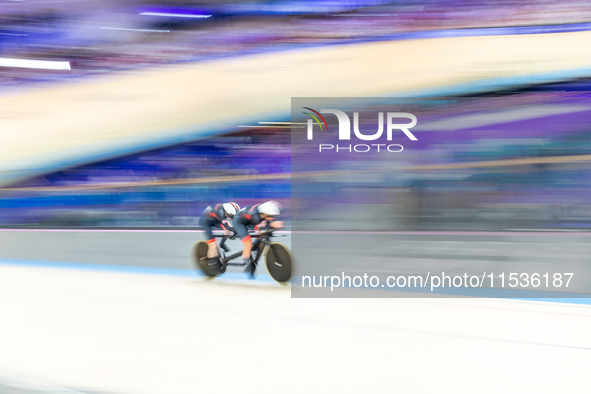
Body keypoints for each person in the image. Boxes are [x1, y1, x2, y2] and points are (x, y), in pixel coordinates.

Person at [232, 200, 284, 277]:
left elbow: (265, 227)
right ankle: (247, 265)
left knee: (263, 233)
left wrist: (273, 226)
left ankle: (256, 245)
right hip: (239, 222)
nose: (273, 218)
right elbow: (261, 229)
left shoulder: (263, 213)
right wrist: (272, 225)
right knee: (248, 245)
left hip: (249, 219)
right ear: (265, 214)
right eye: (272, 216)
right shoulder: (256, 216)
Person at [200, 202, 240, 269]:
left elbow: (229, 227)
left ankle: (222, 243)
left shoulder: (225, 210)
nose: (232, 218)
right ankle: (211, 265)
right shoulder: (221, 212)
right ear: (227, 212)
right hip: (206, 222)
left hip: (215, 219)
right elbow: (227, 226)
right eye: (232, 216)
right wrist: (236, 230)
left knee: (229, 229)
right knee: (213, 246)